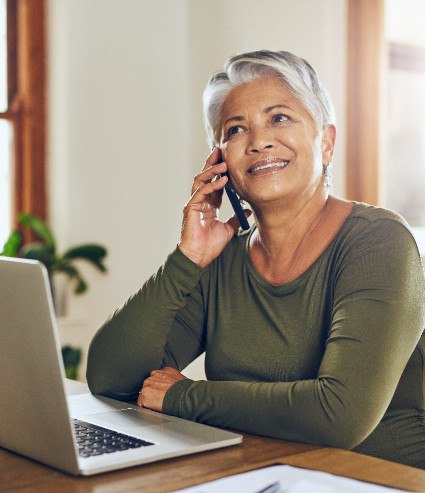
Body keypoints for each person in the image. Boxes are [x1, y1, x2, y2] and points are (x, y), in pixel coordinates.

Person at [86, 50, 425, 468]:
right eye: (235, 129)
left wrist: (183, 396)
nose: (259, 140)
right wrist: (187, 258)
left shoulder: (378, 240)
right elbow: (111, 379)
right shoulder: (224, 257)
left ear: (326, 142)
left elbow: (338, 414)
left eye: (279, 118)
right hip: (257, 473)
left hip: (379, 481)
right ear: (220, 161)